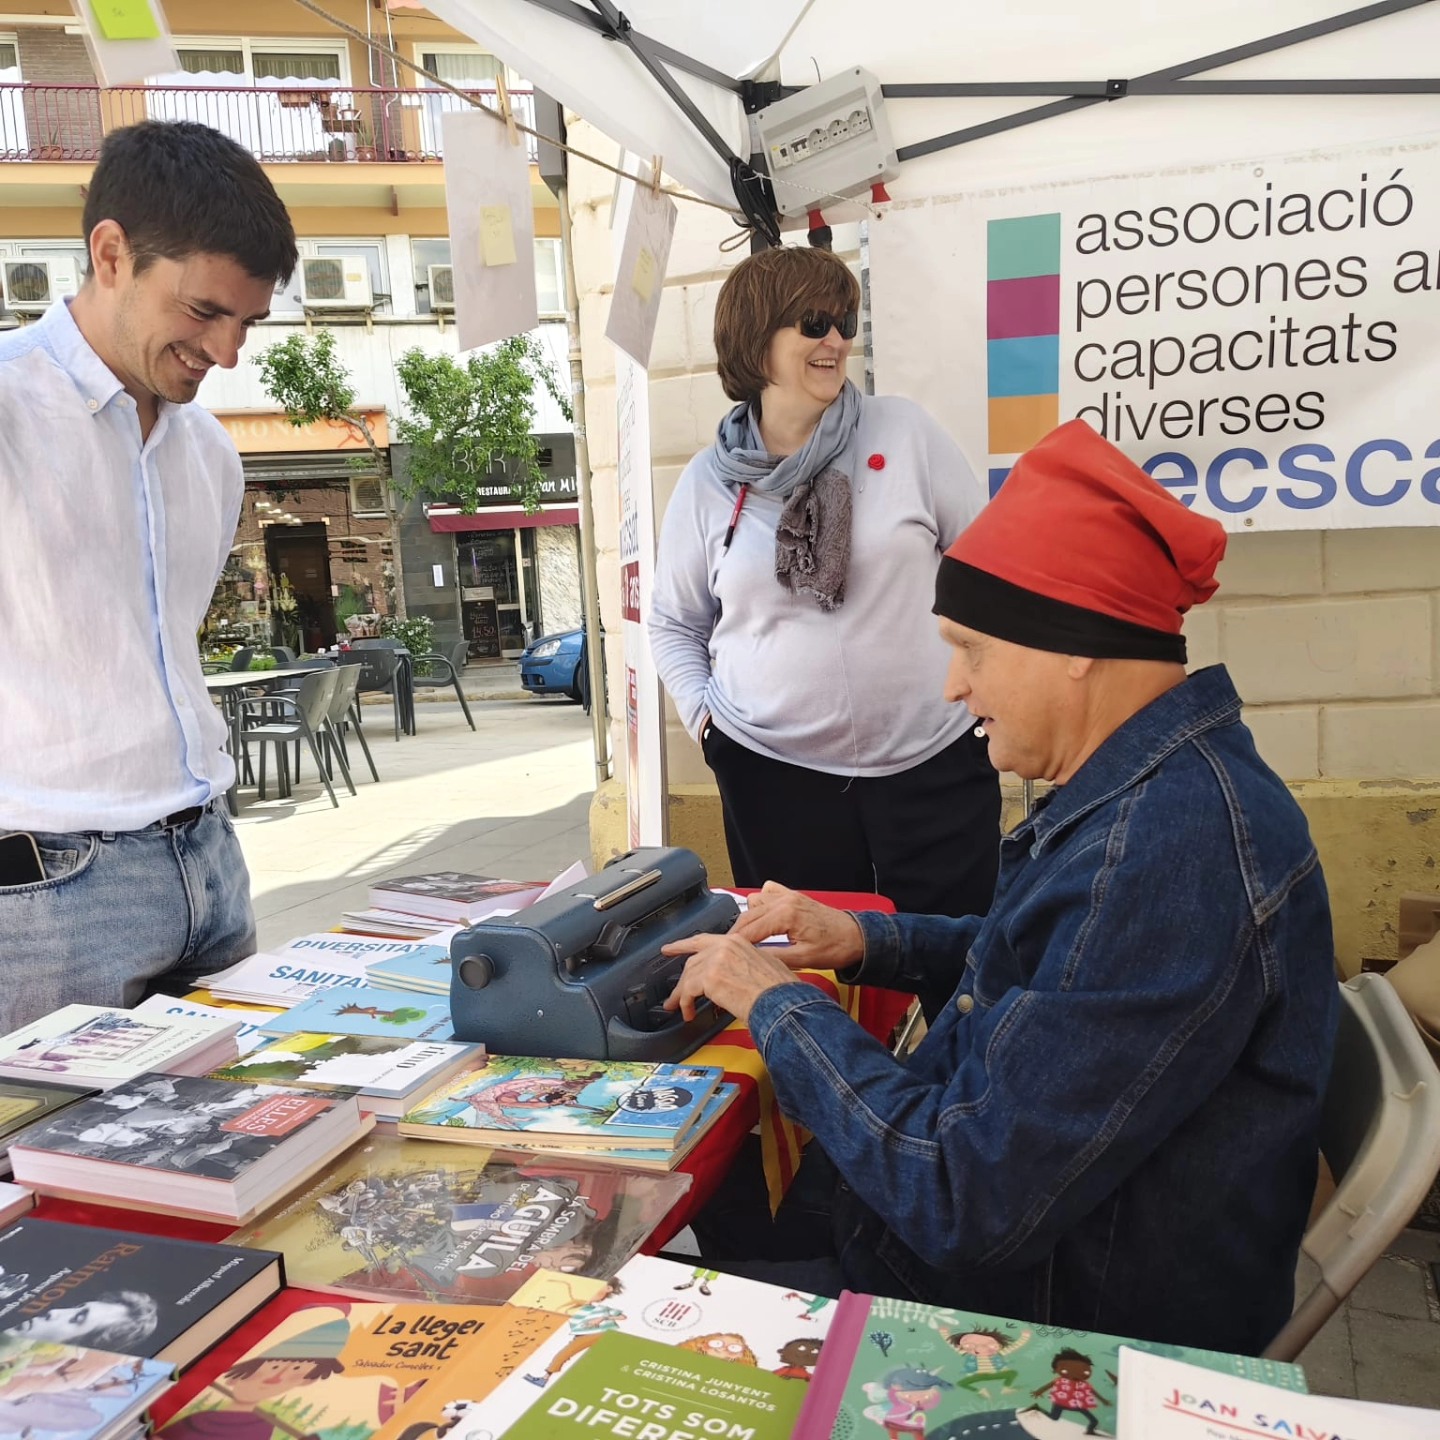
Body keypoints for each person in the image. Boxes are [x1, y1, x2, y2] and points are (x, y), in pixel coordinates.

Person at [662, 420, 1339, 1355]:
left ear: (1074, 645)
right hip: (1008, 1253)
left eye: (971, 648)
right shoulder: (1157, 793)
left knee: (622, 1289)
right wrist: (870, 942)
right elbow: (1050, 973)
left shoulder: (1168, 855)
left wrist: (775, 1003)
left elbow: (958, 1195)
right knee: (720, 1200)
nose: (952, 685)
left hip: (1038, 1324)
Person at [0, 121, 298, 1031]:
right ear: (112, 253)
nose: (229, 352)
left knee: (230, 1152)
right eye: (206, 311)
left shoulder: (209, 452)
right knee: (51, 1171)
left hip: (208, 854)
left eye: (249, 322)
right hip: (46, 889)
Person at [648, 246, 998, 1003]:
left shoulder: (905, 434)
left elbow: (986, 572)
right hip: (773, 776)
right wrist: (706, 722)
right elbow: (675, 623)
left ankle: (968, 1112)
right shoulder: (708, 484)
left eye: (844, 321)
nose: (836, 340)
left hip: (932, 764)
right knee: (805, 985)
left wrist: (987, 691)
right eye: (814, 322)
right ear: (754, 339)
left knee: (963, 980)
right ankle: (824, 1122)